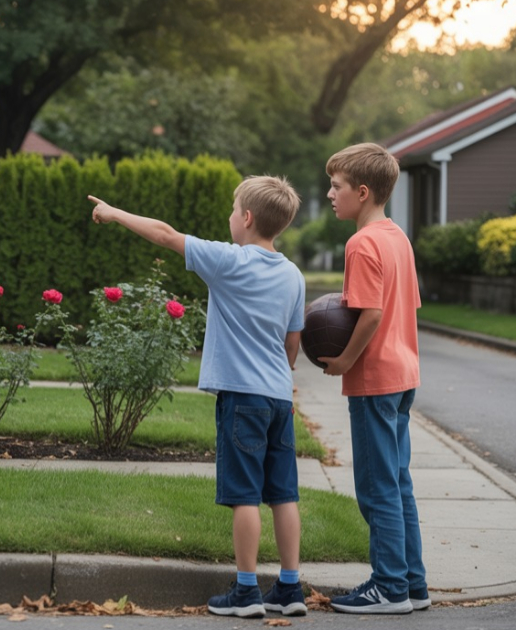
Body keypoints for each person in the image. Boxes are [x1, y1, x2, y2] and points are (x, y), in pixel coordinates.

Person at [90, 176, 307, 619]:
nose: (229, 217)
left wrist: (113, 213)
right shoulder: (293, 274)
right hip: (279, 400)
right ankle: (290, 587)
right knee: (283, 493)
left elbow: (166, 235)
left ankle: (246, 592)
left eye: (232, 210)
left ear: (246, 219)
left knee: (245, 495)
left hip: (242, 397)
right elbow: (292, 345)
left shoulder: (229, 261)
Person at [319, 142, 426, 615]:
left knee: (376, 485)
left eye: (336, 186)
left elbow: (371, 314)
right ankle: (413, 583)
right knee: (397, 481)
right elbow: (409, 306)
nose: (329, 194)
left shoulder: (361, 243)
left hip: (375, 380)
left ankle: (388, 587)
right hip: (405, 375)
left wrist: (343, 361)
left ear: (362, 192)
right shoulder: (397, 237)